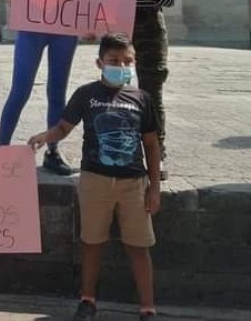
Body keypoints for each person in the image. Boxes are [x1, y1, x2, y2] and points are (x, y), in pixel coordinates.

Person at [28, 33, 161, 321]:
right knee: (91, 242)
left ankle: (148, 307)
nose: (121, 66)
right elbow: (64, 127)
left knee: (139, 246)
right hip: (94, 181)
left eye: (127, 61)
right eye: (114, 61)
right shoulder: (86, 94)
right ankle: (87, 300)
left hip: (133, 184)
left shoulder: (142, 98)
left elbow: (151, 144)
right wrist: (44, 137)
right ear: (99, 62)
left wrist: (154, 189)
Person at [0, 0, 78, 175]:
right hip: (32, 26)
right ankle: (1, 150)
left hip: (65, 29)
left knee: (57, 92)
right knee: (20, 90)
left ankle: (54, 153)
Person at [123, 0, 177, 180]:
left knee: (151, 95)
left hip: (150, 28)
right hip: (120, 30)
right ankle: (123, 153)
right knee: (117, 94)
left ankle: (158, 156)